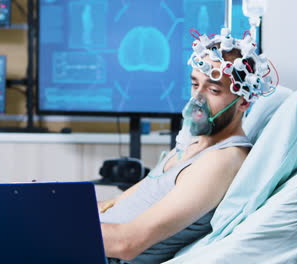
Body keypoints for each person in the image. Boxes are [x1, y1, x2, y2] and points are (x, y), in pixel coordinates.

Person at [98, 28, 278, 263]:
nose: (197, 99)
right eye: (195, 85)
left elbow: (127, 243)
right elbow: (115, 204)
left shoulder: (221, 160)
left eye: (213, 89)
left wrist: (53, 229)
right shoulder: (190, 144)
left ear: (243, 101)